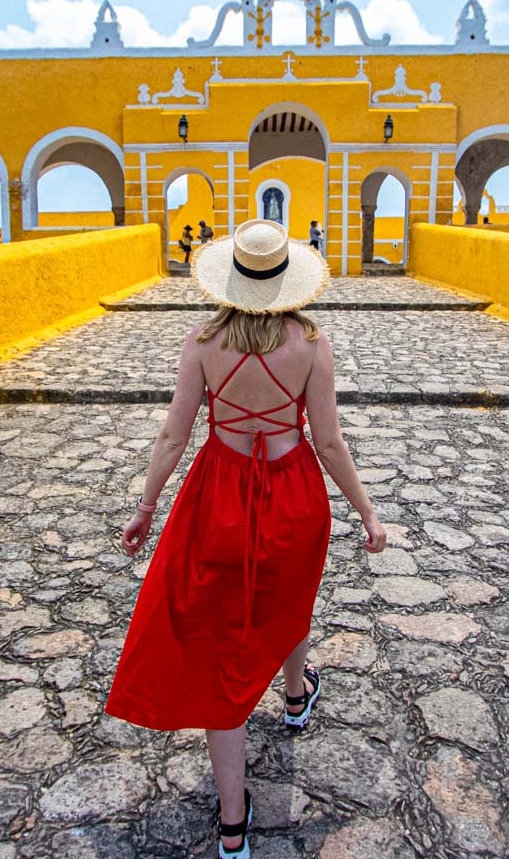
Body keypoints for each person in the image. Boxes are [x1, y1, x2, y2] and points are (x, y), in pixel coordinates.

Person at [107, 219, 387, 858]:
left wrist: (148, 505)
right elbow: (330, 443)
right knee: (287, 600)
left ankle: (233, 824)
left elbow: (173, 437)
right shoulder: (311, 344)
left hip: (219, 494)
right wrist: (368, 514)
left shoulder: (203, 343)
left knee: (218, 648)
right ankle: (295, 697)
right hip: (292, 493)